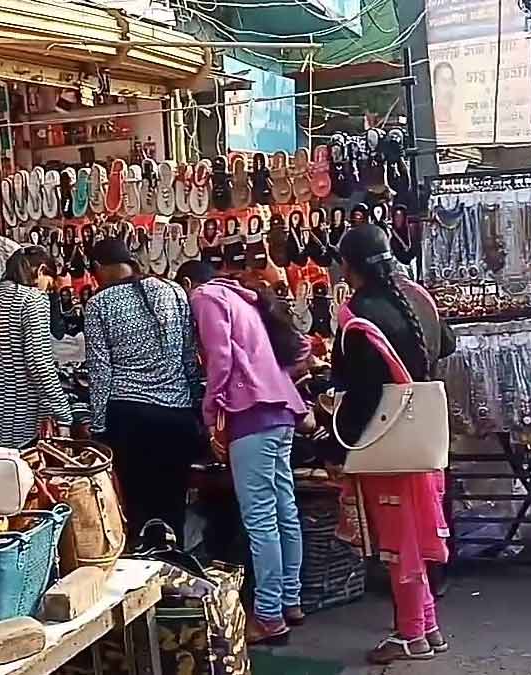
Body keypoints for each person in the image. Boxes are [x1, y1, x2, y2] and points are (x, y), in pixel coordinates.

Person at [328, 226, 449, 664]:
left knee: (399, 542)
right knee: (415, 536)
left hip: (388, 440)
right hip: (425, 434)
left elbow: (362, 393)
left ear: (348, 266)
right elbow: (447, 344)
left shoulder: (358, 313)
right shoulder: (417, 297)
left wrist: (340, 445)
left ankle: (410, 634)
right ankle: (428, 625)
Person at [179, 262, 310, 644]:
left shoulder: (205, 297)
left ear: (187, 284)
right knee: (284, 508)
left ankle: (268, 615)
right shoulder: (243, 299)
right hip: (281, 409)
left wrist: (210, 411)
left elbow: (220, 358)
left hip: (251, 411)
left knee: (260, 517)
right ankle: (290, 599)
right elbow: (297, 347)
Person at [84, 238, 203, 539]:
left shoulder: (99, 304)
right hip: (177, 418)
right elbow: (190, 359)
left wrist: (99, 427)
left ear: (97, 268)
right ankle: (174, 569)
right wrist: (198, 408)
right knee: (173, 504)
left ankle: (143, 572)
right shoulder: (174, 291)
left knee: (137, 509)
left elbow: (100, 372)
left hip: (129, 419)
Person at [0, 245, 73, 447]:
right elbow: (39, 363)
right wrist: (63, 414)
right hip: (17, 418)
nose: (46, 291)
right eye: (49, 286)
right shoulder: (32, 299)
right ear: (41, 271)